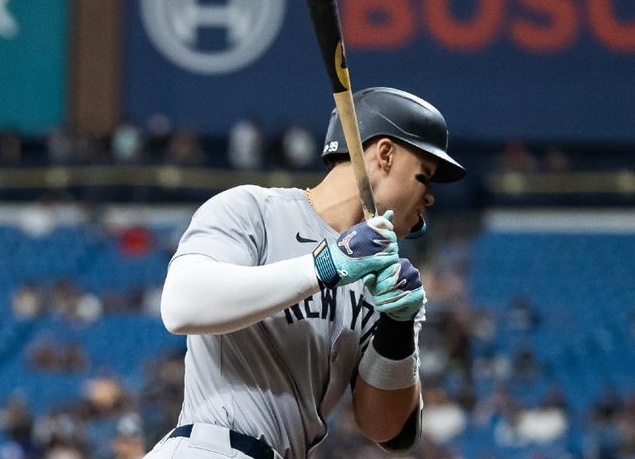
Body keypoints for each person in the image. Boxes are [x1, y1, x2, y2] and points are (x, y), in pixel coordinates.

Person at [144, 87, 465, 459]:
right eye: (423, 176)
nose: (430, 197)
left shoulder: (384, 282)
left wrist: (397, 326)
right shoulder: (254, 210)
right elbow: (182, 306)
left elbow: (390, 432)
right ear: (385, 155)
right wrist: (324, 265)